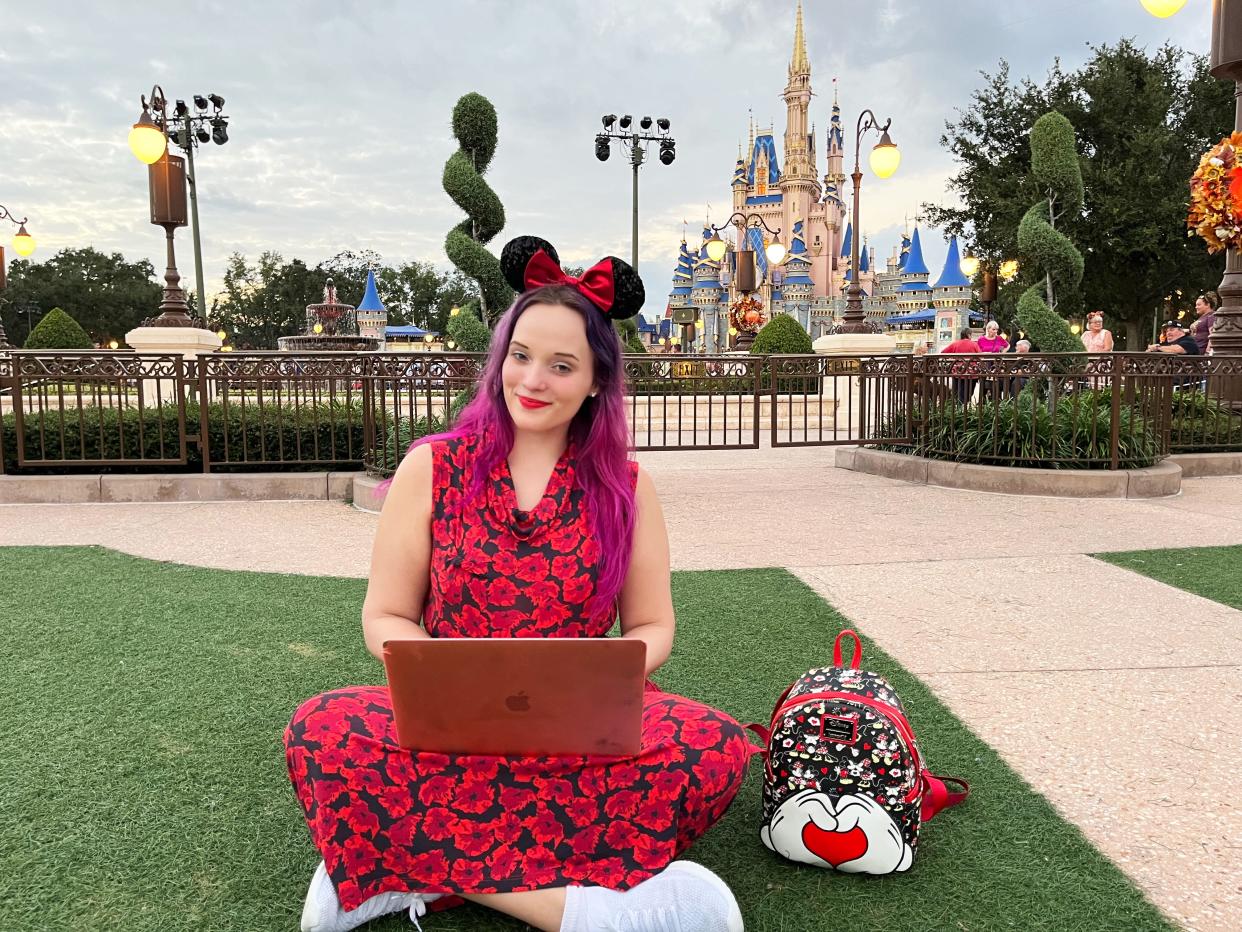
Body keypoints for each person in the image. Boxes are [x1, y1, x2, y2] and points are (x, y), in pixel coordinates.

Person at [284, 236, 751, 932]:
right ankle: (583, 910)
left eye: (561, 365)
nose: (532, 380)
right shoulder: (432, 468)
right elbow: (384, 613)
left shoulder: (626, 488)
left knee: (716, 746)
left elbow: (653, 625)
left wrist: (603, 673)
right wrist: (432, 671)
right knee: (320, 729)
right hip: (444, 725)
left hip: (580, 728)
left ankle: (394, 865)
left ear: (597, 380)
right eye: (521, 356)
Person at [940, 327, 981, 405]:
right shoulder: (974, 344)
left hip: (958, 373)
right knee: (968, 393)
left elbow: (943, 353)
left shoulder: (955, 344)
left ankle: (959, 409)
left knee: (958, 394)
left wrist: (952, 359)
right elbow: (980, 357)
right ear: (969, 335)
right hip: (972, 373)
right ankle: (965, 407)